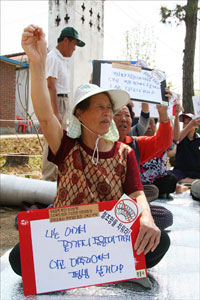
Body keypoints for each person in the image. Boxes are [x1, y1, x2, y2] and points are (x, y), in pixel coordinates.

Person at [9, 25, 170, 284]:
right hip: (68, 236)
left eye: (110, 108)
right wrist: (37, 63)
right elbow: (45, 115)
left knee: (159, 239)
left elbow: (137, 192)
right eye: (100, 107)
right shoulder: (66, 146)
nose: (109, 113)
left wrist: (147, 217)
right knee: (18, 258)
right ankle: (106, 267)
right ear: (79, 114)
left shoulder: (124, 152)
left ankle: (106, 264)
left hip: (107, 236)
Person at [114, 103, 173, 230]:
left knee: (165, 216)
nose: (123, 119)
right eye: (117, 115)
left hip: (128, 204)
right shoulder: (97, 143)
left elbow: (163, 142)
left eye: (127, 115)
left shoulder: (135, 144)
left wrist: (163, 113)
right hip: (103, 204)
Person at [42, 26, 85, 181]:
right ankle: (48, 177)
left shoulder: (62, 59)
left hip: (63, 100)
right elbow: (51, 85)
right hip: (57, 101)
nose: (74, 49)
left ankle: (56, 175)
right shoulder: (53, 57)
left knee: (60, 140)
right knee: (52, 139)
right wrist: (55, 111)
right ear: (65, 40)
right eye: (73, 44)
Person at [168, 113, 200, 184]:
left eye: (189, 123)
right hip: (180, 172)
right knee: (168, 177)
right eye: (185, 123)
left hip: (196, 172)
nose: (187, 125)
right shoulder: (180, 137)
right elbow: (175, 142)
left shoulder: (198, 139)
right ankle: (193, 182)